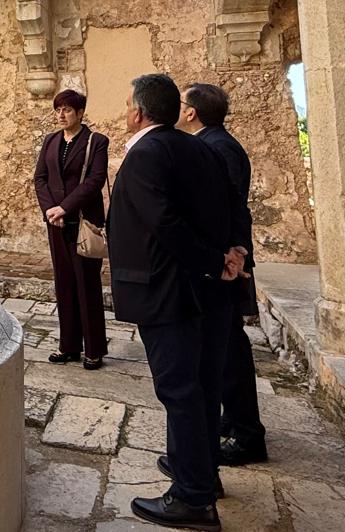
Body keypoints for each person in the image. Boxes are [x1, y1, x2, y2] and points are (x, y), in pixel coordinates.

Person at [106, 73, 247, 531]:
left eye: (128, 102)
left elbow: (164, 224)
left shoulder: (146, 152)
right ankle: (202, 475)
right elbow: (229, 205)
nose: (126, 109)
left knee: (180, 390)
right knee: (202, 386)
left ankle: (191, 498)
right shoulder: (200, 146)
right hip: (205, 289)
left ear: (139, 112)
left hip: (168, 289)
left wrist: (212, 260)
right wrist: (231, 253)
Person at [179, 82, 267, 466]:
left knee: (229, 349)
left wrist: (227, 258)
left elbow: (223, 210)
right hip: (225, 263)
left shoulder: (216, 148)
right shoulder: (218, 144)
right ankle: (232, 421)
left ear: (191, 112)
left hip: (225, 266)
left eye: (182, 103)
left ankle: (248, 435)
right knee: (225, 347)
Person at [32, 89, 110, 371]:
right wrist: (50, 211)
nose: (61, 115)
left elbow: (95, 180)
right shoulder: (50, 141)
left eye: (66, 110)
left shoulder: (96, 141)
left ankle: (94, 349)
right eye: (58, 110)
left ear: (80, 112)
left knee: (86, 286)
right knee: (64, 284)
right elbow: (40, 178)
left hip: (83, 222)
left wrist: (64, 207)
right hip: (56, 222)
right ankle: (68, 346)